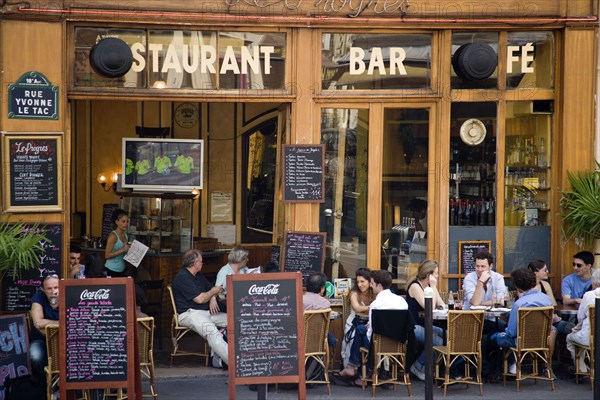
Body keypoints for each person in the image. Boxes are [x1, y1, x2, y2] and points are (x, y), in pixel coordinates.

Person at [337, 270, 407, 382]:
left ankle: (358, 370)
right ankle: (377, 371)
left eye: (371, 283)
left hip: (378, 343)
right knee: (360, 329)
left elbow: (370, 336)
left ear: (378, 285)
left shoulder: (376, 304)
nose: (370, 285)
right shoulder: (402, 301)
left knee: (361, 331)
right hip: (398, 343)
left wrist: (370, 326)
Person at [491, 268, 555, 375]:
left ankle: (493, 371)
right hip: (542, 339)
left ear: (517, 286)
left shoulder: (519, 304)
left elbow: (511, 332)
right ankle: (510, 367)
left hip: (520, 341)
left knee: (488, 339)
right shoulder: (546, 299)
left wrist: (505, 330)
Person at [171, 249, 228, 367]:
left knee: (232, 321)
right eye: (201, 261)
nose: (202, 264)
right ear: (194, 263)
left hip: (205, 312)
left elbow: (211, 288)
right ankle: (234, 363)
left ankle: (218, 358)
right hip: (189, 314)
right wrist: (212, 293)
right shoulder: (183, 277)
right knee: (211, 330)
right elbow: (200, 299)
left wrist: (212, 298)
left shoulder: (198, 275)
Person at [405, 260, 446, 380]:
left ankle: (439, 369)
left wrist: (440, 303)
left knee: (447, 336)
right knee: (437, 342)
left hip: (424, 323)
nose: (438, 276)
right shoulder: (415, 286)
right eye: (436, 273)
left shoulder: (428, 286)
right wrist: (433, 286)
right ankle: (418, 366)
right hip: (413, 326)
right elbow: (429, 307)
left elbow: (441, 304)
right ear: (429, 274)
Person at [566, 267, 600, 374]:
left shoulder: (589, 295)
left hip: (590, 337)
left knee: (570, 339)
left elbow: (580, 317)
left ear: (594, 282)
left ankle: (582, 370)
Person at [341, 268, 374, 370]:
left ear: (370, 281)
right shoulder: (354, 293)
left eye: (362, 281)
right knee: (353, 339)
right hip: (354, 323)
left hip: (370, 323)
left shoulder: (374, 293)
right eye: (358, 281)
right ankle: (351, 369)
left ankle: (369, 369)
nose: (360, 284)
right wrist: (372, 307)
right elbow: (357, 308)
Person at [29, 274, 60, 378]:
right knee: (36, 355)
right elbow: (38, 323)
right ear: (43, 290)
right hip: (41, 340)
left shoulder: (68, 296)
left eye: (56, 287)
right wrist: (62, 323)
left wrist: (46, 323)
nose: (53, 291)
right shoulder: (38, 297)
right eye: (49, 288)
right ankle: (44, 387)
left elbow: (75, 322)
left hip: (63, 341)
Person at [104, 208, 131, 277]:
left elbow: (125, 253)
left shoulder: (125, 235)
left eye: (127, 221)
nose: (126, 224)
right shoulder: (113, 236)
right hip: (111, 270)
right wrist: (123, 249)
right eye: (123, 221)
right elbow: (107, 255)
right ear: (117, 222)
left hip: (122, 270)